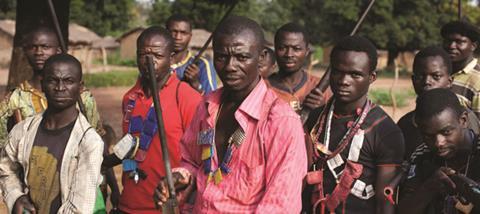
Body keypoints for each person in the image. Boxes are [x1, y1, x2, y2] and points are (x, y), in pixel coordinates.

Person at [153, 16, 307, 213]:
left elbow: (281, 205)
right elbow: (191, 161)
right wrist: (180, 177)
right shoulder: (207, 106)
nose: (230, 67)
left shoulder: (281, 121)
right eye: (221, 57)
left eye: (242, 57)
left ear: (261, 57)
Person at [101, 26, 202, 213]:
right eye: (143, 55)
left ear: (171, 58)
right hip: (129, 203)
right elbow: (131, 148)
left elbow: (199, 159)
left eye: (157, 55)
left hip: (166, 206)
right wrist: (106, 163)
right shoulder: (130, 97)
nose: (149, 62)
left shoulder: (187, 97)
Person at [303, 35, 405, 213]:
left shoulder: (385, 131)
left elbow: (385, 203)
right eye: (338, 71)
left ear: (372, 77)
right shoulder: (316, 118)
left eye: (355, 74)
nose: (344, 81)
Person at [0, 54, 104, 213]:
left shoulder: (89, 142)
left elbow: (80, 208)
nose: (60, 88)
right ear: (42, 85)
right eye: (52, 80)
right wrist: (15, 197)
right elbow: (5, 167)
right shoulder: (24, 130)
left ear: (80, 86)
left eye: (68, 81)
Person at [0, 26, 102, 146]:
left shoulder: (82, 96)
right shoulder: (15, 98)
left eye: (45, 47)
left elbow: (95, 138)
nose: (38, 52)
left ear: (58, 51)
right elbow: (3, 144)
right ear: (25, 52)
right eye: (33, 47)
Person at [398, 88, 480, 214]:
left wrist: (472, 190)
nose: (438, 143)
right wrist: (428, 188)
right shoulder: (422, 155)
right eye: (428, 136)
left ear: (463, 120)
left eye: (446, 132)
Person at [398, 46, 480, 159]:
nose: (427, 82)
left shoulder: (466, 119)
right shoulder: (406, 123)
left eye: (436, 76)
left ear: (449, 81)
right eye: (420, 76)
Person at [267, 22, 327, 113]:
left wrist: (322, 110)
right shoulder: (262, 89)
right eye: (282, 48)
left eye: (296, 49)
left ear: (307, 52)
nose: (289, 54)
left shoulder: (321, 89)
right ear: (275, 50)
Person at [166, 14, 217, 94]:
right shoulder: (157, 63)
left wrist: (196, 84)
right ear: (165, 33)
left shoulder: (202, 65)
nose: (178, 37)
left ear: (190, 36)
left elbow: (211, 102)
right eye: (174, 32)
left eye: (183, 33)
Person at [441, 20, 480, 118]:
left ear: (473, 46)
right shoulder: (439, 73)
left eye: (459, 42)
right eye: (448, 41)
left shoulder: (477, 81)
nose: (451, 46)